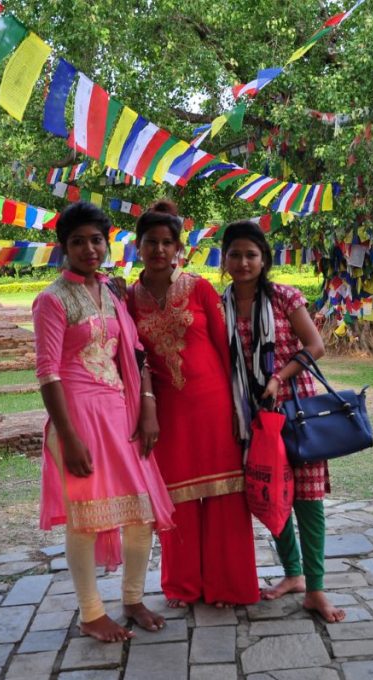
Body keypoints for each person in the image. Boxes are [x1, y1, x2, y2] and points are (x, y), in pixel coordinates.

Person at [33, 201, 175, 643]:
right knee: (87, 520)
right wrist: (69, 437)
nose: (89, 249)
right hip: (78, 419)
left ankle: (133, 598)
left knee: (139, 513)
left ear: (107, 243)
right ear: (64, 247)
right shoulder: (52, 300)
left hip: (120, 414)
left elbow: (132, 355)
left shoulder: (112, 294)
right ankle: (91, 612)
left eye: (96, 240)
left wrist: (146, 408)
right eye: (78, 241)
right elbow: (48, 372)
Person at [126, 200, 259, 609]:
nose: (160, 250)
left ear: (179, 248)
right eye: (152, 242)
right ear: (138, 246)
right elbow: (134, 358)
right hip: (167, 415)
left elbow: (226, 349)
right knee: (177, 503)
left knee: (225, 500)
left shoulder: (199, 288)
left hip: (216, 406)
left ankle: (228, 586)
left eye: (168, 242)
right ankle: (183, 587)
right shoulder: (129, 299)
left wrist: (240, 409)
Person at [220, 220, 346, 623]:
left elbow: (316, 346)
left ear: (264, 259)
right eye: (235, 254)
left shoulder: (284, 298)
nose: (243, 262)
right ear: (224, 259)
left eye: (251, 254)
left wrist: (278, 377)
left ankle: (316, 588)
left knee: (308, 501)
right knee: (270, 493)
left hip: (296, 411)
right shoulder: (218, 304)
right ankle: (292, 574)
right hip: (253, 415)